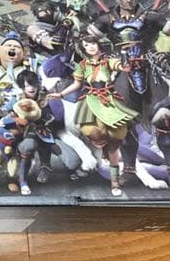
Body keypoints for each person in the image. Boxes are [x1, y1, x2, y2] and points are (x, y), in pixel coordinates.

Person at [48, 34, 138, 197]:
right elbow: (77, 84)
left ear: (98, 44)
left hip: (108, 99)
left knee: (116, 140)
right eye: (86, 45)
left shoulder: (108, 61)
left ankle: (114, 182)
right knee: (90, 131)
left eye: (92, 44)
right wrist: (60, 94)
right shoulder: (82, 65)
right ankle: (103, 147)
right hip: (90, 100)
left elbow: (124, 68)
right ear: (84, 49)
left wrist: (124, 54)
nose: (90, 47)